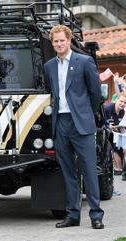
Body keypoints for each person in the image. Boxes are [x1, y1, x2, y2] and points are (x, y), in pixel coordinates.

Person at [44, 25, 104, 229]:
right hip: (60, 123)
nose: (59, 44)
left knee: (88, 170)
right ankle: (72, 215)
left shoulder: (85, 61)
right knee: (68, 172)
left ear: (69, 40)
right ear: (52, 43)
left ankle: (96, 216)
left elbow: (96, 93)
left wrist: (87, 113)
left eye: (62, 40)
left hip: (82, 123)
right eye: (55, 41)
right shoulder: (49, 66)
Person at [104, 92, 126, 178]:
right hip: (105, 133)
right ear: (116, 100)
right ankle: (118, 168)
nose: (123, 104)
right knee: (115, 143)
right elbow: (99, 121)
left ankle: (121, 169)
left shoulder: (122, 112)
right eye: (121, 101)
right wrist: (107, 125)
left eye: (125, 103)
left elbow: (120, 125)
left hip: (116, 133)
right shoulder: (107, 108)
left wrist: (119, 128)